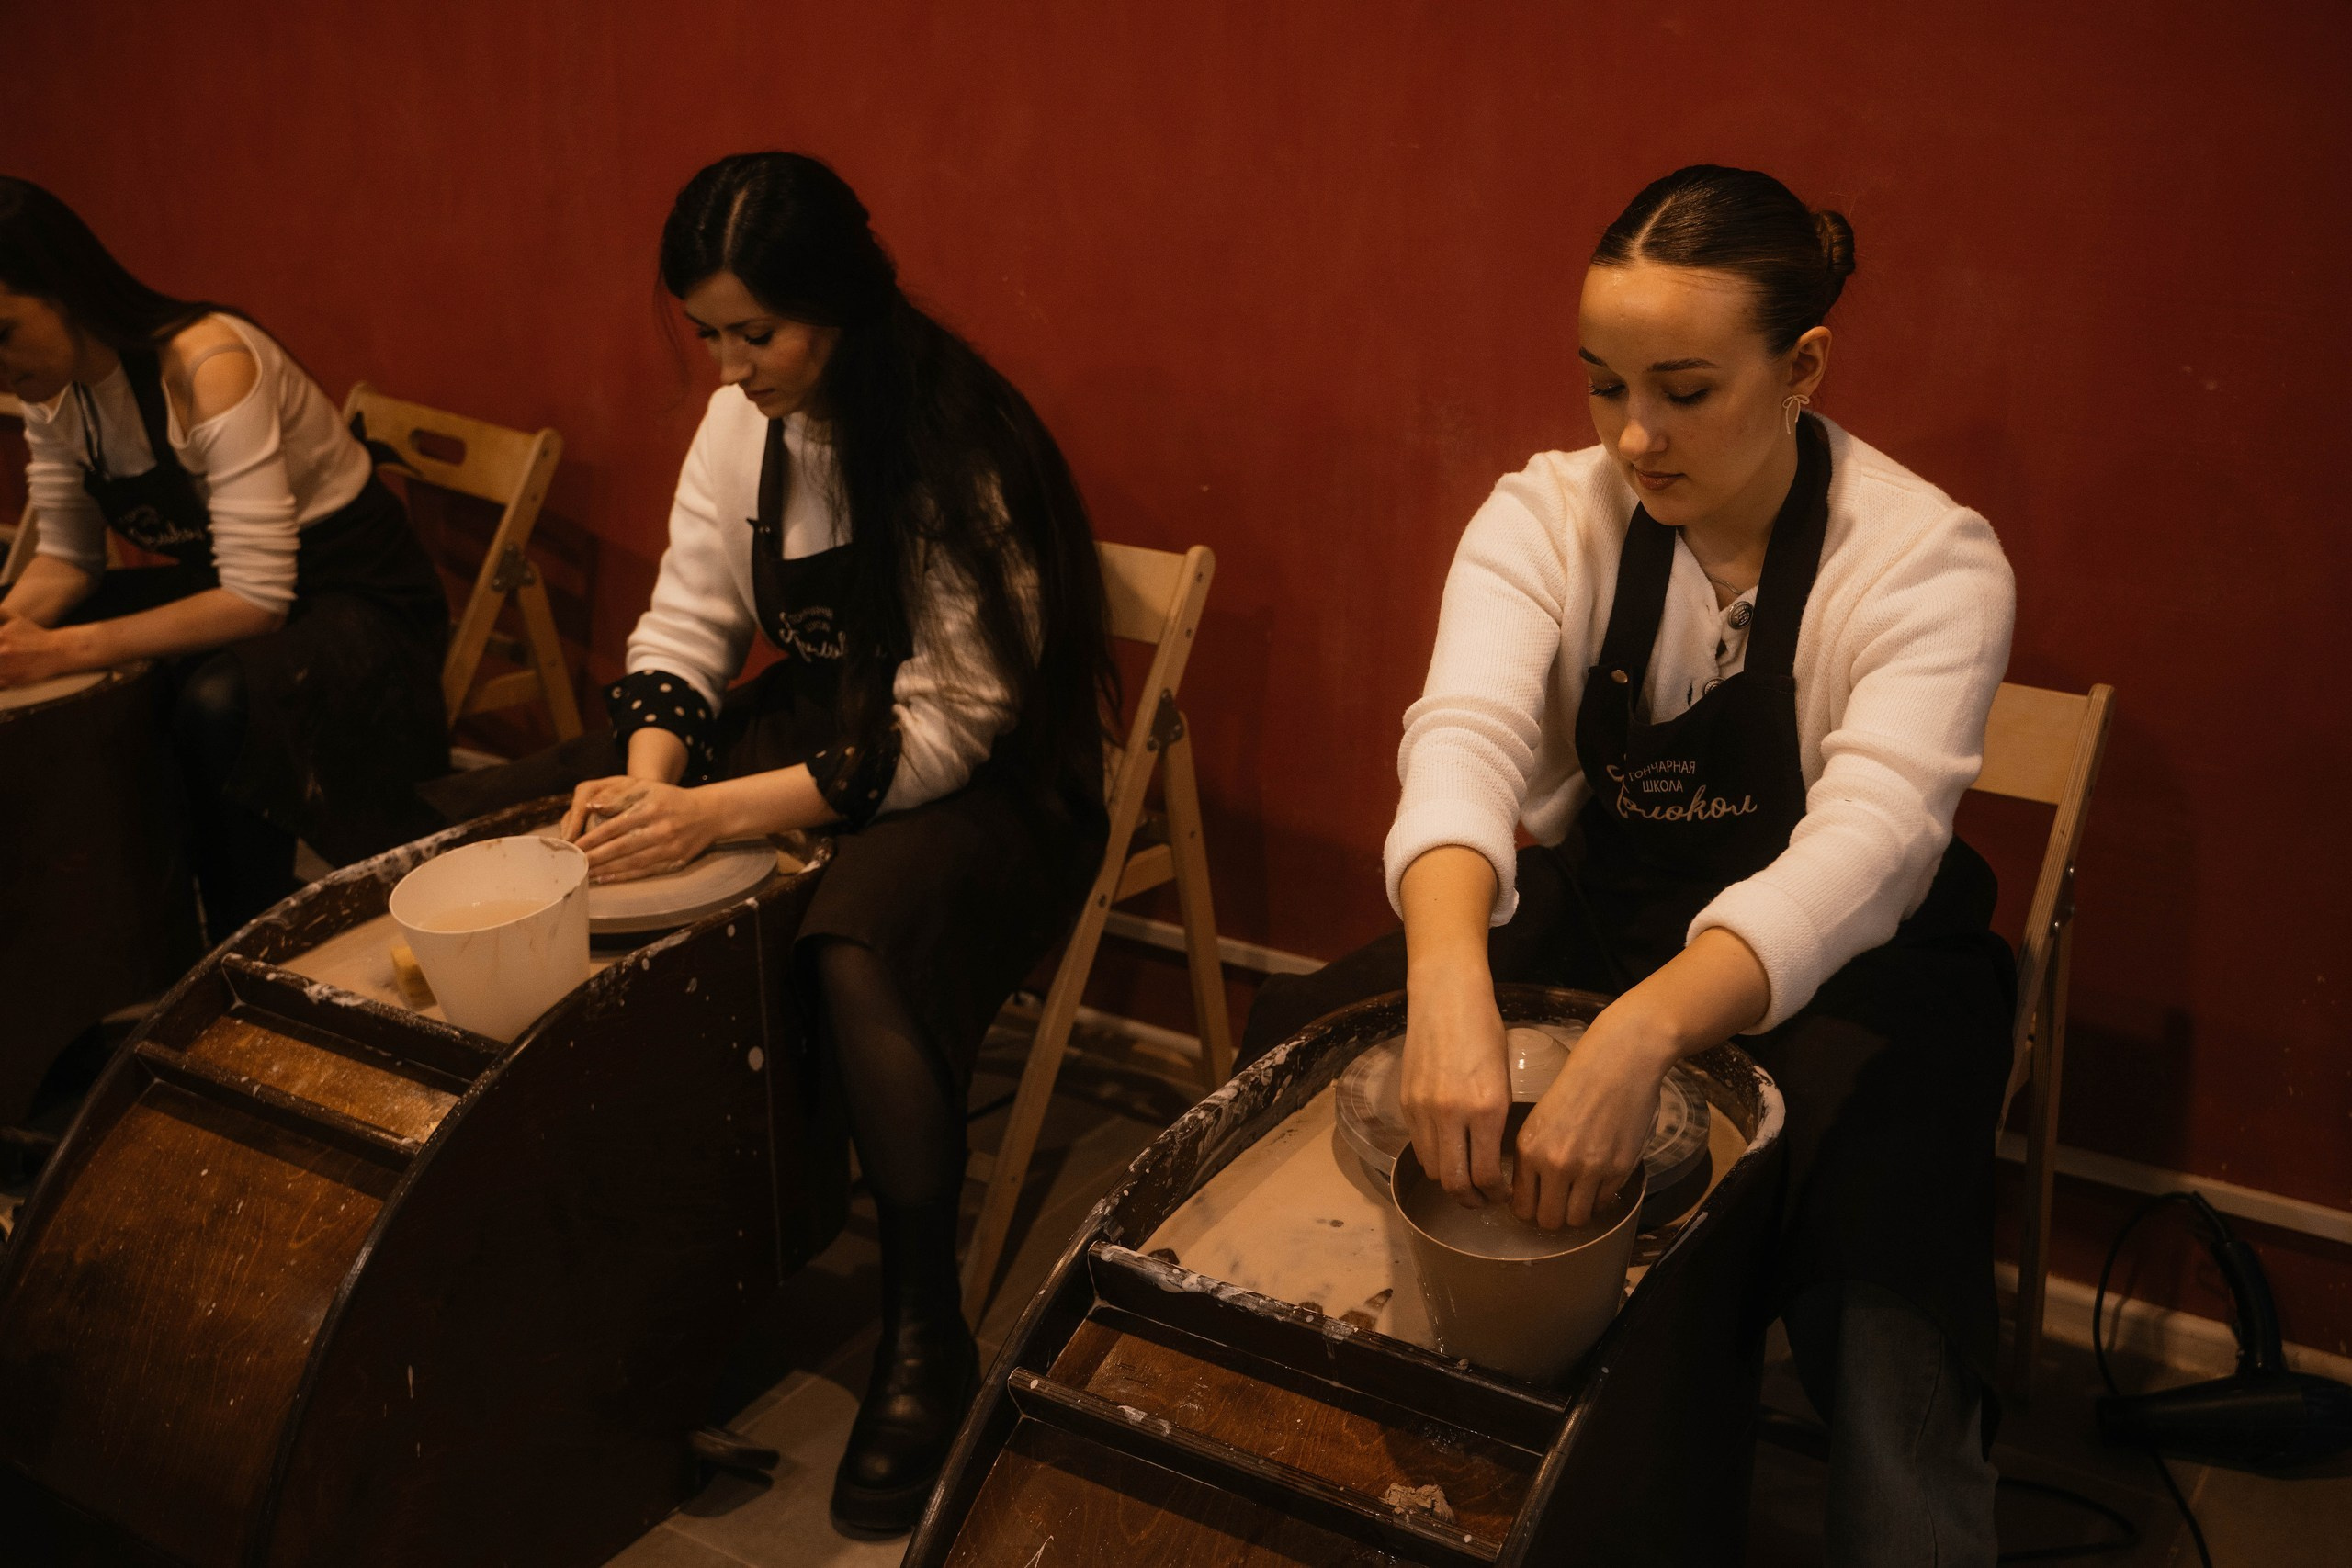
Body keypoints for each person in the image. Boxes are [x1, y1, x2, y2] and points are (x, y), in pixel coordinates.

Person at [1242, 166, 2016, 1566]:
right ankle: (1413, 1483)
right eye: (1603, 386)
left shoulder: (1925, 561)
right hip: (1611, 909)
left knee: (1881, 1273)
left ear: (1805, 366)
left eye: (1684, 388)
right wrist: (1448, 976)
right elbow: (1464, 741)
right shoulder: (1549, 517)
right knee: (1301, 1041)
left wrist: (1641, 1032)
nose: (1636, 438)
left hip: (1867, 970)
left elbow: (1872, 844)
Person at [427, 152, 1114, 1537]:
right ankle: (640, 1260)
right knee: (519, 819)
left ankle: (925, 1337)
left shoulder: (955, 439)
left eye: (759, 332)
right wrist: (646, 782)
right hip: (822, 723)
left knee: (855, 943)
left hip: (988, 780)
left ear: (842, 304)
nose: (731, 365)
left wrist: (710, 815)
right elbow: (686, 620)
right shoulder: (745, 425)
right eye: (710, 335)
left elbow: (954, 723)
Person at [0, 179, 448, 936]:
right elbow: (71, 562)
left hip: (359, 597)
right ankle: (129, 924)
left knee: (216, 703)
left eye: (4, 332)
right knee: (68, 655)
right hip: (242, 586)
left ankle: (251, 938)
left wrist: (60, 650)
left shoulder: (208, 362)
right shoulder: (53, 390)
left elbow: (257, 599)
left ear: (68, 292)